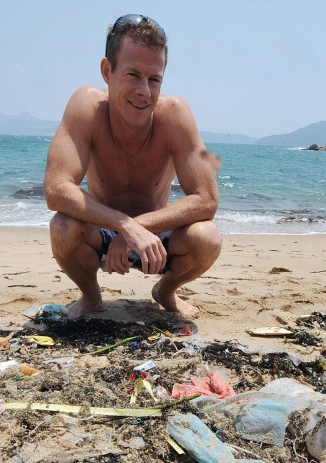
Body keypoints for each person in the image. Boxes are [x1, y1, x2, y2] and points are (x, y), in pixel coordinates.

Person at [44, 13, 222, 319]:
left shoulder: (175, 116)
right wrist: (124, 225)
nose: (144, 91)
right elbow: (56, 190)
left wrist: (139, 228)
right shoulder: (87, 107)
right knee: (62, 227)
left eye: (154, 79)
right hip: (101, 233)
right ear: (107, 71)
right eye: (133, 75)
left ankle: (165, 290)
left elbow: (206, 199)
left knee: (208, 238)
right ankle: (91, 295)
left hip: (157, 238)